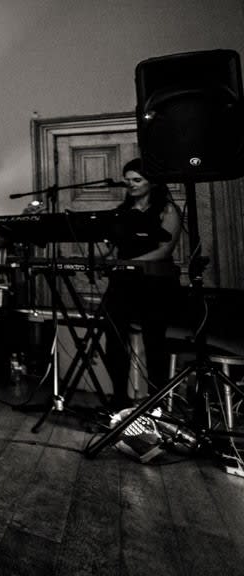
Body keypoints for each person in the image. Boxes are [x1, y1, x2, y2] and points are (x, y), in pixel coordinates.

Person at [102, 158, 181, 409]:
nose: (131, 185)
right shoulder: (122, 211)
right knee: (114, 337)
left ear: (152, 182)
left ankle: (155, 401)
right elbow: (112, 249)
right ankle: (119, 398)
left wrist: (131, 262)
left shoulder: (167, 210)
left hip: (154, 282)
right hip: (123, 282)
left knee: (154, 340)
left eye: (137, 180)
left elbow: (165, 250)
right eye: (128, 181)